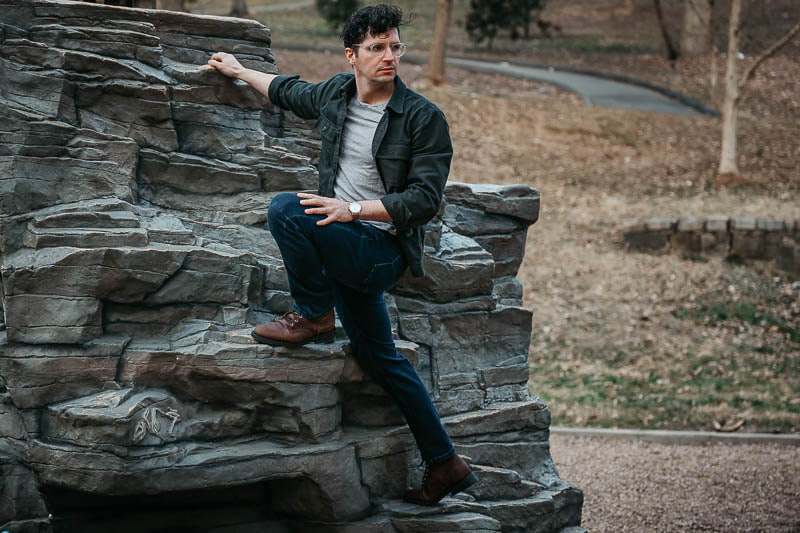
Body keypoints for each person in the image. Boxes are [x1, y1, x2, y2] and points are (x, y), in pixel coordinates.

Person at [207, 4, 477, 506]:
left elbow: (424, 201)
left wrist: (353, 209)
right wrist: (240, 72)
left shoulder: (422, 118)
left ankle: (312, 315)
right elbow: (289, 91)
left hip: (379, 252)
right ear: (352, 55)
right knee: (382, 360)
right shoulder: (336, 94)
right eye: (377, 48)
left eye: (395, 46)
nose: (390, 56)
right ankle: (446, 462)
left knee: (288, 208)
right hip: (343, 243)